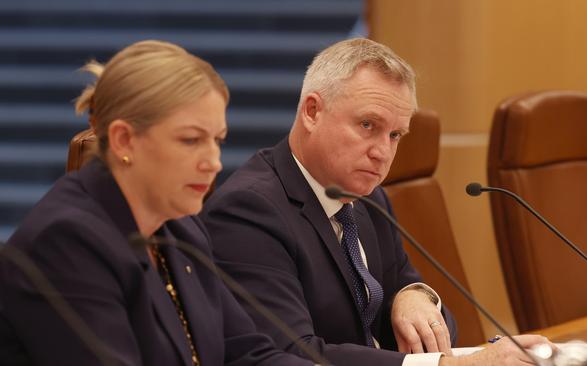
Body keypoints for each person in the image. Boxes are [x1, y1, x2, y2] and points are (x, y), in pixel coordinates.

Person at [200, 38, 552, 366]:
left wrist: (415, 296)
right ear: (311, 111)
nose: (382, 153)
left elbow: (433, 324)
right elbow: (291, 354)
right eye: (368, 125)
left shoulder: (366, 198)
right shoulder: (250, 211)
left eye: (395, 134)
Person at [0, 40, 314, 366]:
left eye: (217, 140)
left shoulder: (180, 225)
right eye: (191, 140)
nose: (214, 162)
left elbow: (247, 353)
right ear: (124, 139)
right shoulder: (67, 241)